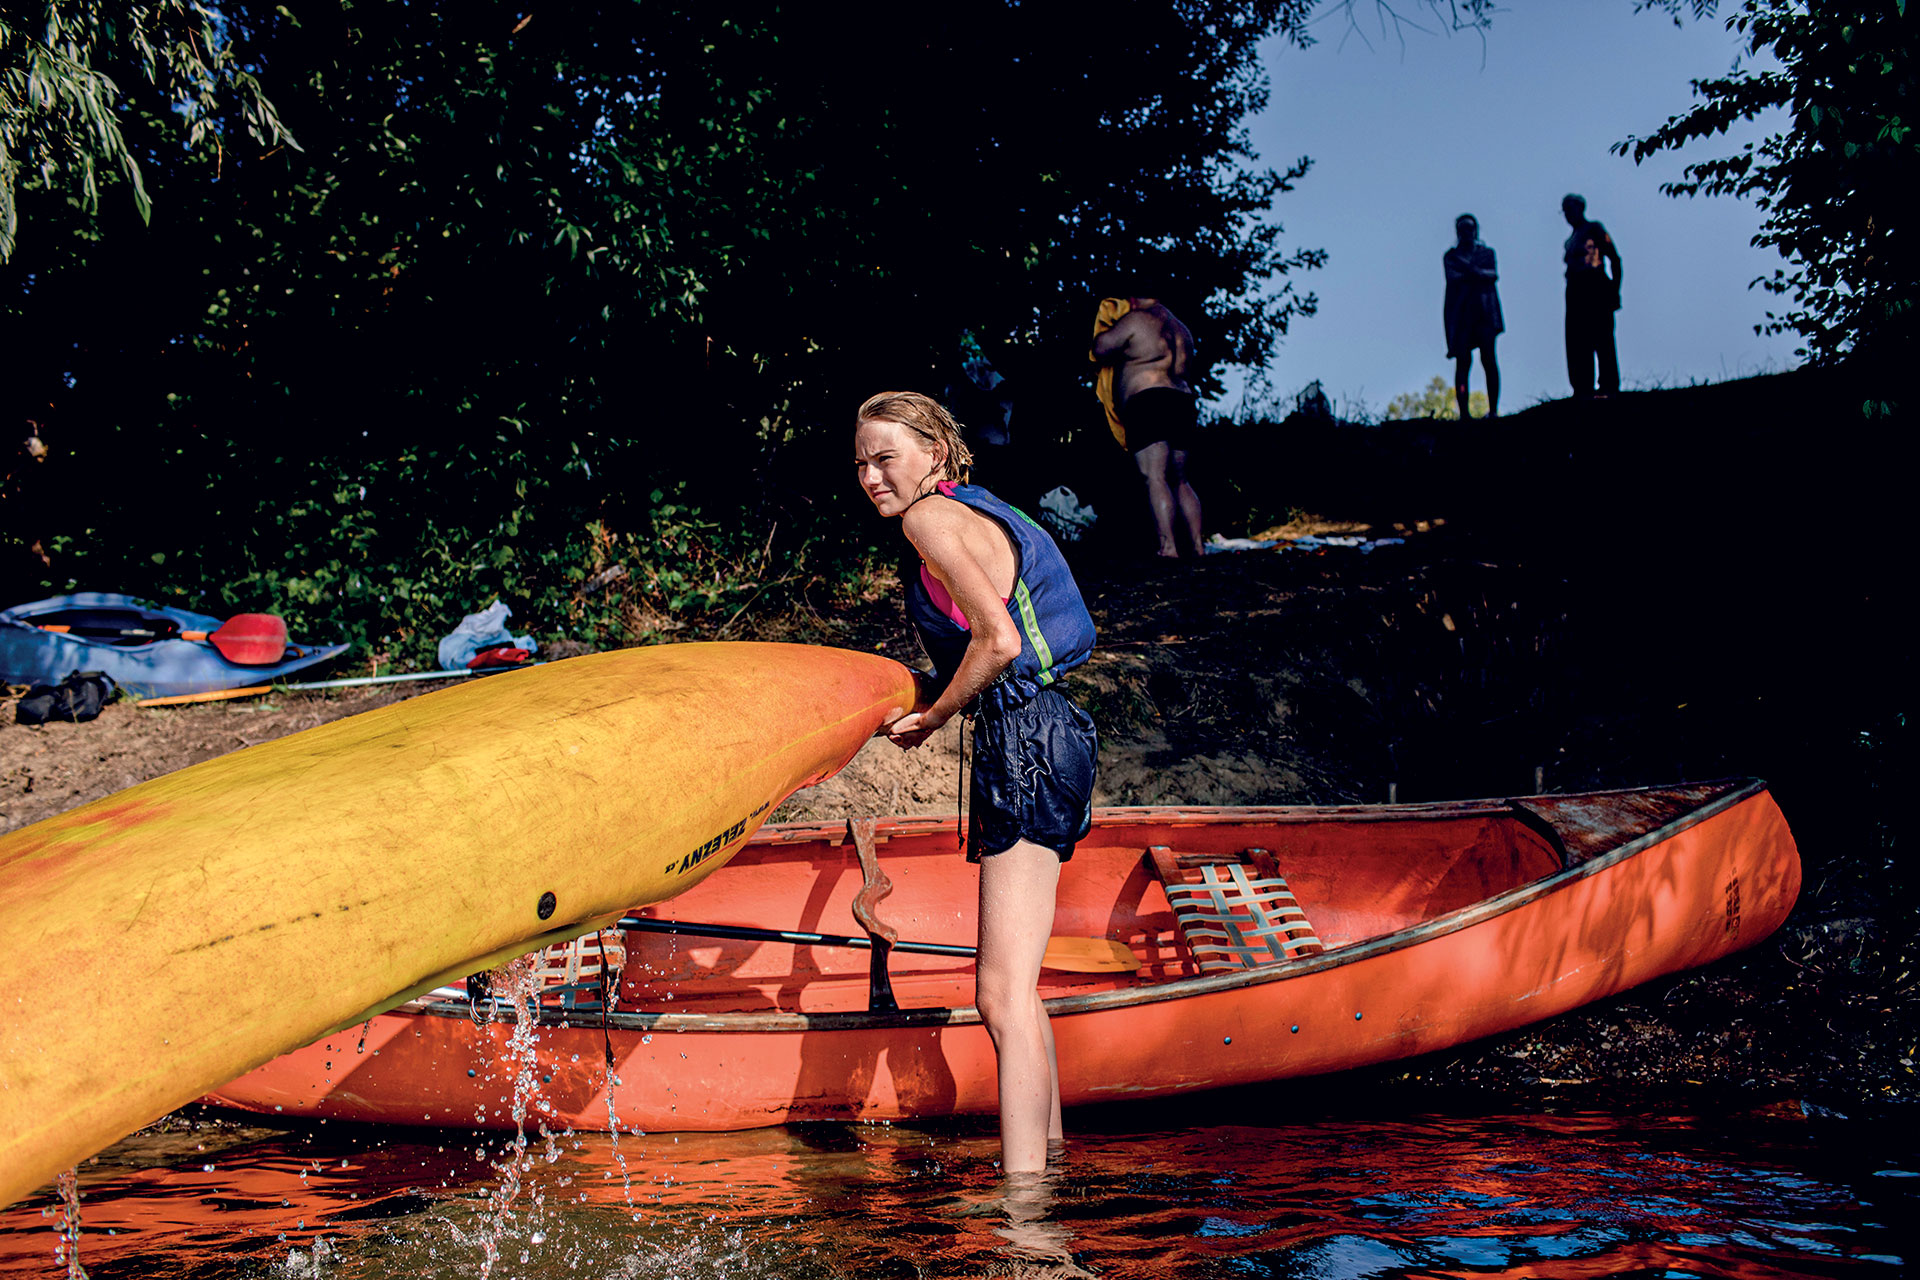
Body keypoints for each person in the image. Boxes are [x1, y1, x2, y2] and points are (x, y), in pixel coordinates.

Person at [854, 390, 1099, 1175]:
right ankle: (1049, 1177)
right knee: (1018, 992)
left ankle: (1027, 1222)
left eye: (885, 457)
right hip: (1043, 735)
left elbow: (995, 642)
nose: (869, 475)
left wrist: (932, 718)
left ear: (933, 451)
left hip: (1026, 739)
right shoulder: (974, 507)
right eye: (860, 462)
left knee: (999, 995)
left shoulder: (931, 519)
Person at [1090, 295, 1203, 558]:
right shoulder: (1180, 328)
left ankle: (1168, 548)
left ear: (1134, 298)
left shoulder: (1136, 320)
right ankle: (1198, 546)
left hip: (1150, 400)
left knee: (1155, 475)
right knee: (1182, 478)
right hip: (1183, 400)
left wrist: (1106, 321)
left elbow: (1100, 348)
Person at [1561, 193, 1623, 399]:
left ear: (1581, 208)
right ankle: (1583, 387)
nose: (1568, 214)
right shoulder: (1570, 240)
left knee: (1602, 337)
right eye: (1565, 210)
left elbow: (1615, 258)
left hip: (1595, 285)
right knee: (1578, 340)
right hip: (1575, 289)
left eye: (1571, 208)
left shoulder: (1594, 229)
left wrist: (1614, 290)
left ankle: (1608, 385)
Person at [1443, 214, 1503, 419]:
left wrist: (1471, 271)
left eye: (1470, 228)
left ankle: (1493, 410)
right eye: (1463, 229)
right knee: (1463, 363)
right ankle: (1464, 414)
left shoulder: (1486, 253)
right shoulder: (1451, 257)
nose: (1467, 233)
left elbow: (1492, 274)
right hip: (1462, 315)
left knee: (1489, 359)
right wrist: (1476, 274)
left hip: (1485, 312)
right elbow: (1453, 277)